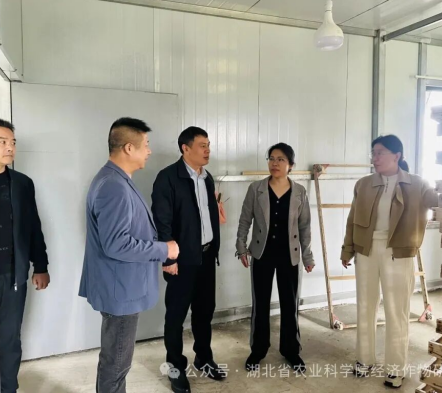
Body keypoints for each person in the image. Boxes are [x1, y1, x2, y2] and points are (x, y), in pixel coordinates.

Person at [79, 117, 179, 393]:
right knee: (116, 364)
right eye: (145, 144)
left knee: (115, 360)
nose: (149, 150)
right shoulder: (113, 186)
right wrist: (165, 249)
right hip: (120, 290)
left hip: (120, 285)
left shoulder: (116, 179)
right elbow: (116, 244)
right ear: (128, 148)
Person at [341, 134, 438, 389]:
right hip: (366, 251)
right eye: (373, 153)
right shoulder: (363, 184)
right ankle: (364, 359)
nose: (375, 158)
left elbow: (440, 202)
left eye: (380, 153)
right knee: (365, 306)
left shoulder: (417, 184)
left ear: (397, 155)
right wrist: (347, 249)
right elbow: (352, 219)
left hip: (399, 253)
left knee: (397, 311)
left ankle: (396, 369)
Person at [152, 126, 224, 393]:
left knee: (204, 312)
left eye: (208, 145)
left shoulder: (206, 178)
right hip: (181, 260)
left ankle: (203, 358)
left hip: (206, 256)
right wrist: (168, 258)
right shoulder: (168, 178)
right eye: (202, 145)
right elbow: (162, 221)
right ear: (185, 148)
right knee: (176, 316)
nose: (207, 150)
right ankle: (175, 368)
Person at [236, 143, 314, 373]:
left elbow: (305, 227)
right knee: (260, 304)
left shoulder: (299, 192)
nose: (275, 163)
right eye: (271, 158)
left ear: (291, 165)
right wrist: (242, 248)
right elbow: (244, 220)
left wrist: (307, 257)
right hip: (262, 254)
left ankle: (291, 350)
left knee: (290, 304)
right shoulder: (256, 189)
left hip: (289, 255)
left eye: (281, 159)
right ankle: (258, 349)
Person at [0, 118, 51, 393]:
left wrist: (41, 265)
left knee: (10, 340)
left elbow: (33, 227)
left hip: (12, 275)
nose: (10, 147)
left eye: (12, 142)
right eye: (2, 141)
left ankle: (7, 389)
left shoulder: (22, 183)